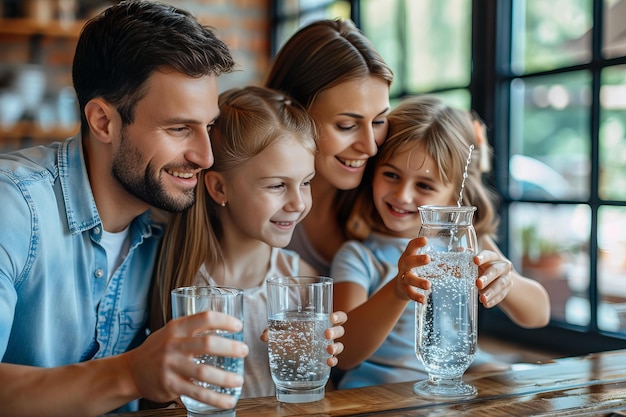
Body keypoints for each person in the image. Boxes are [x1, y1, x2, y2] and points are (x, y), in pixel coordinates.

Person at [0, 2, 250, 416]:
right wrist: (130, 374)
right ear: (103, 121)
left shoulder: (174, 218)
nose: (205, 156)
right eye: (179, 128)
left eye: (207, 127)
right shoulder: (14, 206)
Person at [331, 95, 551, 389]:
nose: (403, 195)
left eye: (424, 185)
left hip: (462, 371)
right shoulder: (358, 256)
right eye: (391, 175)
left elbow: (539, 315)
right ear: (373, 174)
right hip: (384, 385)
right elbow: (346, 355)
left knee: (516, 386)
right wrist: (399, 288)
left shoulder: (467, 245)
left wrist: (506, 279)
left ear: (455, 195)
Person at [152, 86, 347, 399]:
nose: (298, 203)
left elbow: (321, 394)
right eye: (277, 186)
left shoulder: (300, 283)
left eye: (306, 183)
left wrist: (320, 359)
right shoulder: (181, 283)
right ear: (219, 188)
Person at [265, 18, 394, 277]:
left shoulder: (391, 187)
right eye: (347, 125)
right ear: (292, 115)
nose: (370, 147)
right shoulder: (254, 201)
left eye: (379, 121)